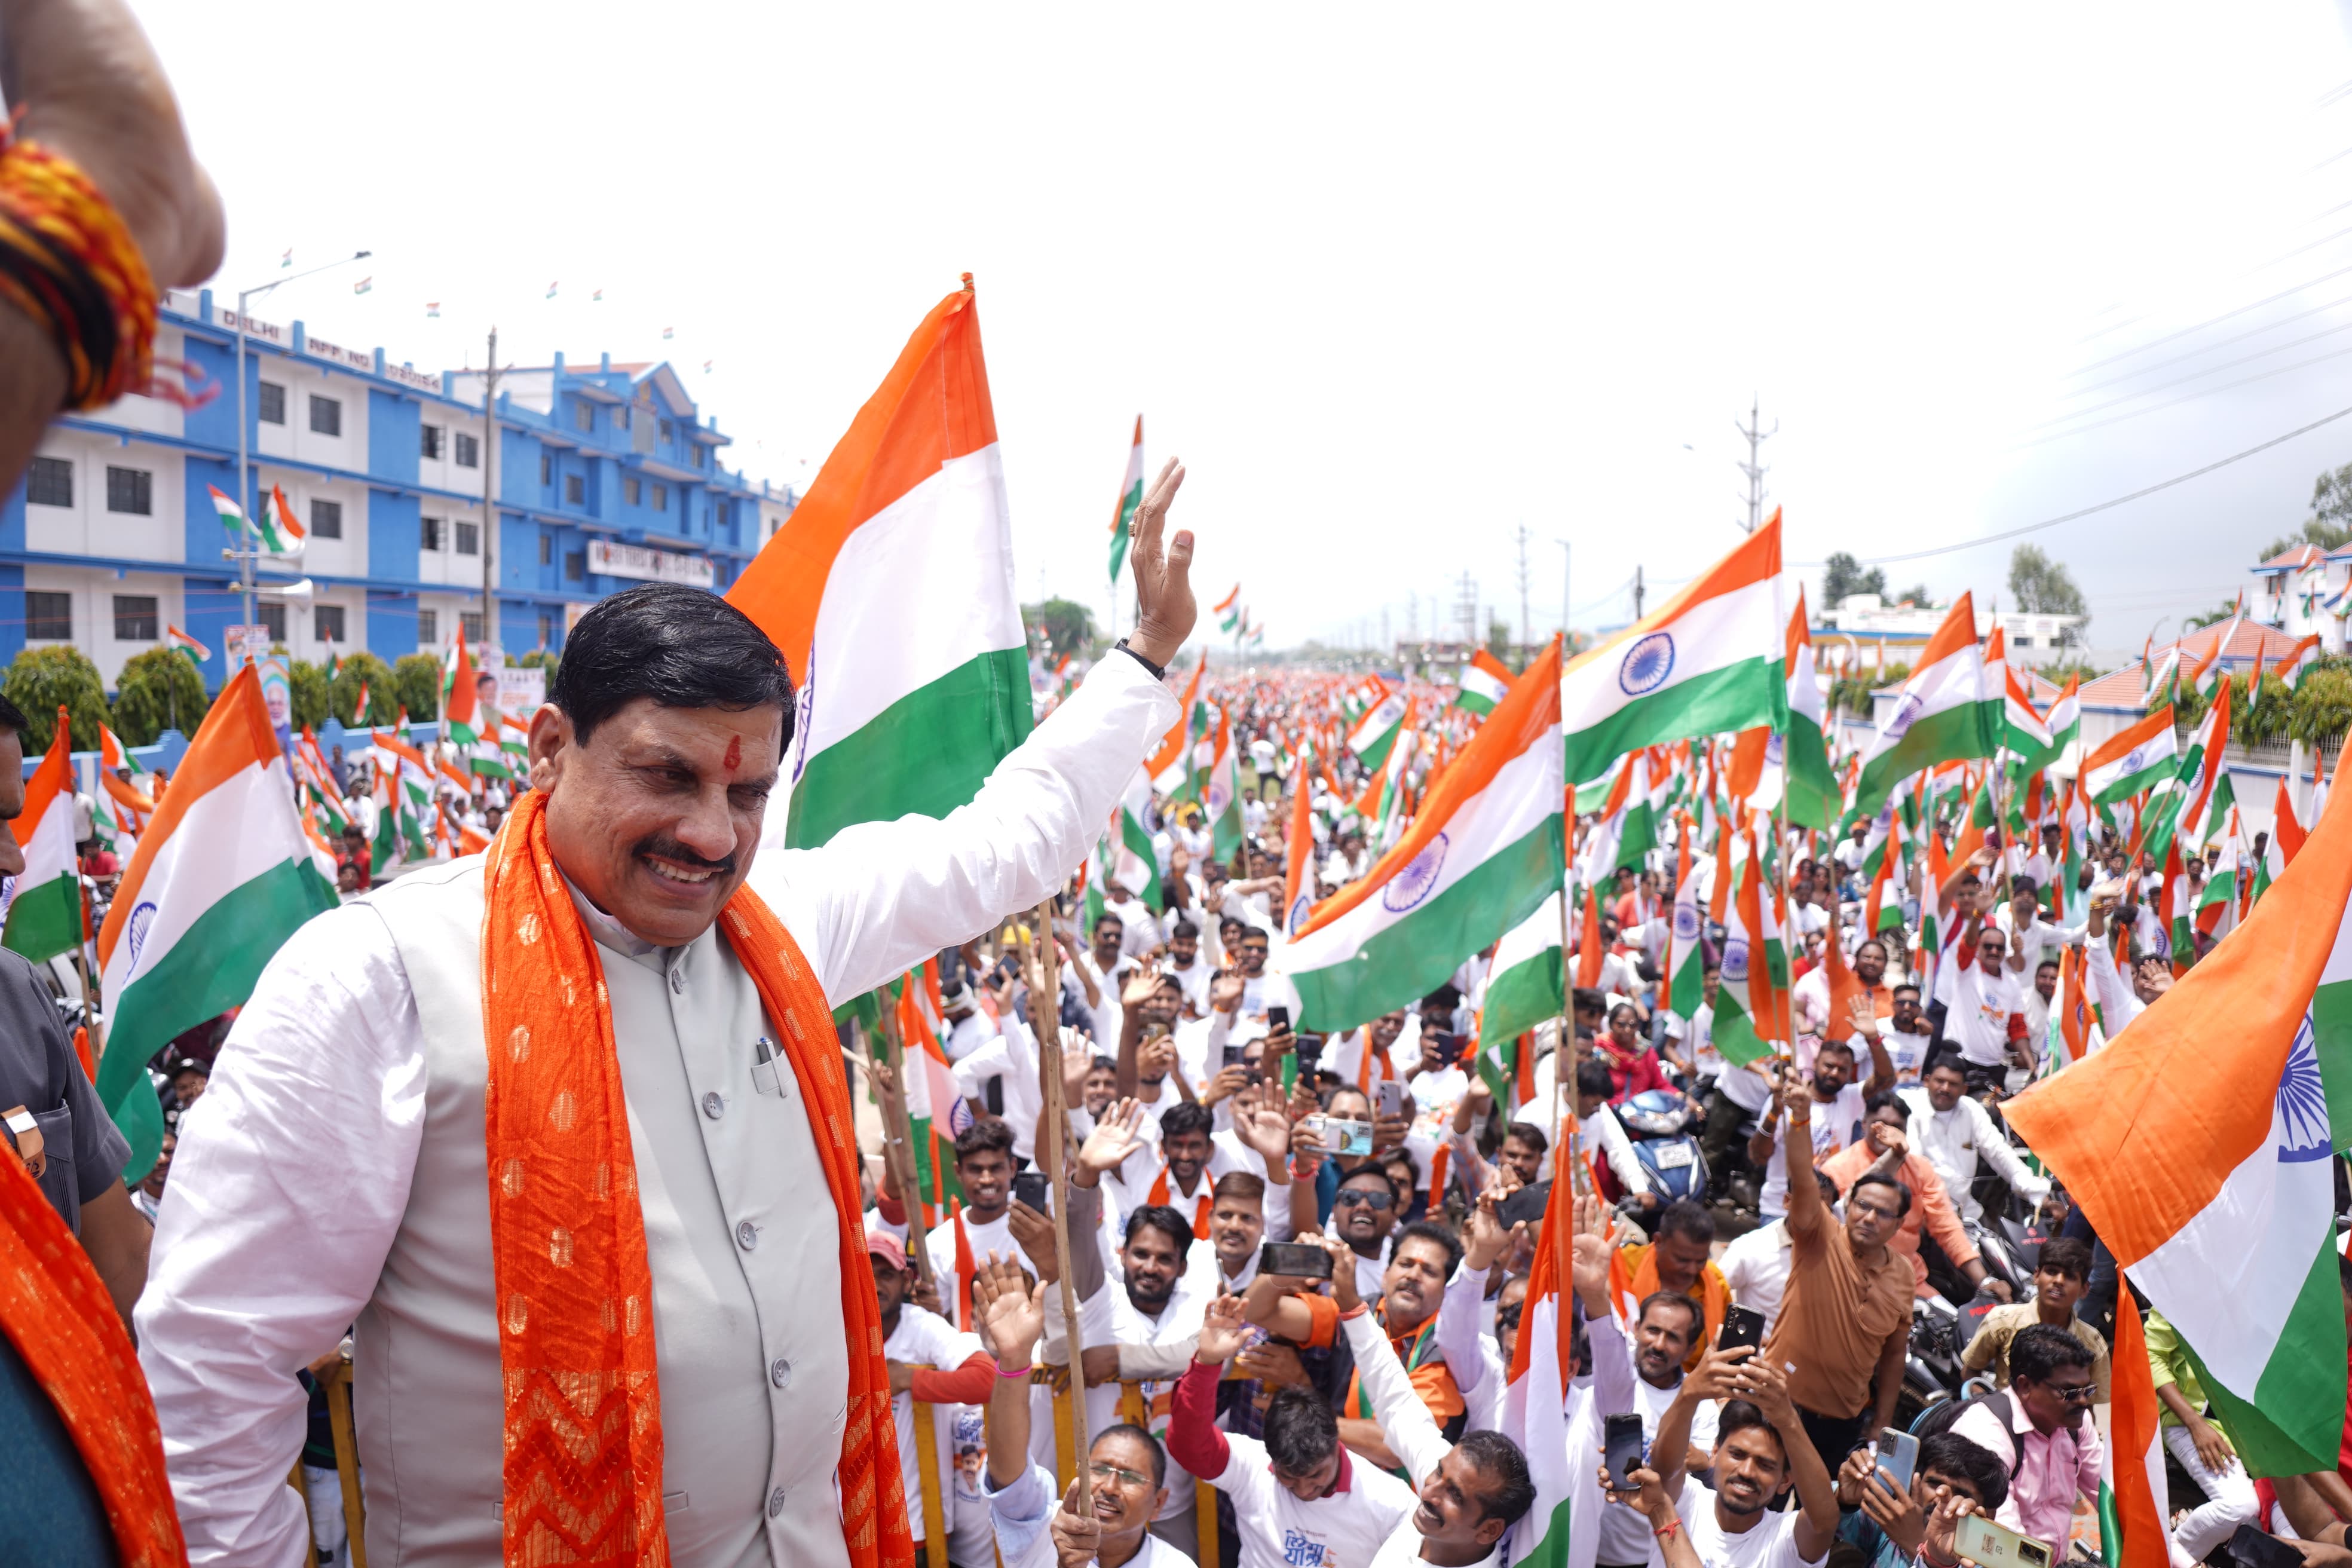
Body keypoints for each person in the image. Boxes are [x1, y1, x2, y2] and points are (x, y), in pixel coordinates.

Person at [140, 477, 1203, 1568]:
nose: (710, 833)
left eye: (745, 795)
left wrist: (1144, 655)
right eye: (668, 774)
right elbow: (211, 1361)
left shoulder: (781, 925)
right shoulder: (378, 976)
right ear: (551, 747)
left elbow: (1006, 844)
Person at [1306, 1233, 1538, 1568]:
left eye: (1454, 1495)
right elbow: (1396, 1399)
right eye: (1438, 1472)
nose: (1428, 1492)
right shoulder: (1440, 1497)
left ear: (1490, 1531)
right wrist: (1352, 1308)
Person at [967, 1254, 1196, 1568]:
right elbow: (1009, 1476)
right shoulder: (1042, 1528)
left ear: (1159, 1504)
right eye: (1099, 1469)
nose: (1109, 1488)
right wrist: (1015, 1360)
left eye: (1130, 1477)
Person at [1168, 1296, 1420, 1568]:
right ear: (1269, 1454)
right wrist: (1207, 1362)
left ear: (1336, 1445)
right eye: (1287, 1476)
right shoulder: (1251, 1465)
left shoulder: (1393, 1502)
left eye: (1316, 1474)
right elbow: (1188, 1445)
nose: (1303, 1489)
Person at [1761, 1080, 1914, 1469]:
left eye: (1883, 1213)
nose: (1869, 1217)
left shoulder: (1903, 1274)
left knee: (1821, 1521)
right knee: (1760, 1509)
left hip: (1844, 1424)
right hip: (1779, 1404)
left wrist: (1880, 1423)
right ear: (1850, 1206)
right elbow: (1802, 1175)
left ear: (1898, 1226)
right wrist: (1800, 1119)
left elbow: (1895, 1355)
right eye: (1862, 1205)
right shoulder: (1819, 1236)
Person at [1650, 1340, 1842, 1568]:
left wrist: (1787, 1419)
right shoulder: (1685, 1501)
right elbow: (1664, 1470)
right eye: (1737, 1454)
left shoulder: (1786, 1540)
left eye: (1766, 1465)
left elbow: (1824, 1523)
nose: (1747, 1471)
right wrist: (1689, 1393)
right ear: (1715, 1451)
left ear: (1786, 1481)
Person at [869, 1231, 996, 1561]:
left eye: (886, 1275)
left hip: (916, 1525)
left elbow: (986, 1379)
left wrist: (910, 1379)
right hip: (851, 1522)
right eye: (866, 1274)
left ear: (907, 1281)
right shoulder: (837, 1330)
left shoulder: (922, 1327)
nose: (876, 1285)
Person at [1818, 1093, 2007, 1303]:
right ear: (1863, 1125)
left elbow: (1946, 1226)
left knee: (1953, 1329)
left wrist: (1984, 1281)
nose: (1886, 1133)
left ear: (1906, 1132)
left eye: (1895, 1127)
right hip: (1851, 1282)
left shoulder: (1920, 1169)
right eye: (1879, 1125)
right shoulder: (1836, 1170)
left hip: (1910, 1282)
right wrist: (1896, 1155)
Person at [1947, 1324, 2103, 1552]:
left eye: (2087, 1390)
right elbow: (2005, 1542)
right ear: (2025, 1386)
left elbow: (2111, 1495)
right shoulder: (1986, 1436)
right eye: (2069, 1392)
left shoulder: (2076, 1426)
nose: (2082, 1402)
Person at [1594, 1292, 1720, 1568]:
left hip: (1650, 1555)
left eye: (1673, 1337)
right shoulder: (1606, 1375)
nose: (1659, 1344)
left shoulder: (1701, 1406)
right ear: (1637, 1328)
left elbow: (1711, 1487)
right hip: (1583, 1545)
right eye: (1653, 1330)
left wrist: (1704, 1466)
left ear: (1690, 1350)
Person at [2143, 1307, 2260, 1563]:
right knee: (2240, 1508)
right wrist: (2195, 1423)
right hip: (2191, 1422)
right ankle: (2161, 1558)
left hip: (2253, 1430)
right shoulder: (2179, 1289)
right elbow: (2151, 1355)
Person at [1897, 1052, 2050, 1227]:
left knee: (2000, 1249)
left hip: (1965, 1212)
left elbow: (1998, 1152)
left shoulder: (1971, 1110)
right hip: (1920, 1212)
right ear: (1927, 1081)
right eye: (1940, 1081)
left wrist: (2036, 1192)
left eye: (1953, 1084)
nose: (1945, 1088)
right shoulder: (1910, 1106)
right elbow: (1913, 1161)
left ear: (1964, 1089)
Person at [1829, 1431, 2010, 1568]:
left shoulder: (1982, 1561)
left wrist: (1918, 1544)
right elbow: (1821, 1529)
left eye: (1961, 1494)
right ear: (1916, 1482)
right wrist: (1845, 1501)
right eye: (1934, 1484)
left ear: (1988, 1515)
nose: (1942, 1496)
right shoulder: (1891, 1523)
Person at [1747, 1037, 1880, 1222]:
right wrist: (1775, 1113)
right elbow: (1758, 1157)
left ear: (1851, 1073)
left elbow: (1885, 1079)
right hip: (1780, 1210)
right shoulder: (1786, 1100)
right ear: (1815, 1063)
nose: (1834, 1073)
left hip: (1826, 1213)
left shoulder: (1849, 1099)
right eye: (1829, 1065)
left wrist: (1873, 1038)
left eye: (1842, 1070)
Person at [1958, 1236, 2106, 1395]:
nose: (2059, 1281)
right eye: (2051, 1272)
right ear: (2036, 1276)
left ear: (2084, 1289)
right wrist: (1988, 1407)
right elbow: (1970, 1372)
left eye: (2070, 1276)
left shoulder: (2093, 1344)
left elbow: (2088, 1406)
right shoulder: (2001, 1322)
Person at [1609, 1199, 1729, 1371]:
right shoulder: (1622, 1266)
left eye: (1701, 1261)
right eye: (1682, 1260)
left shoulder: (1715, 1282)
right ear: (1658, 1241)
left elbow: (1723, 1342)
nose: (1692, 1270)